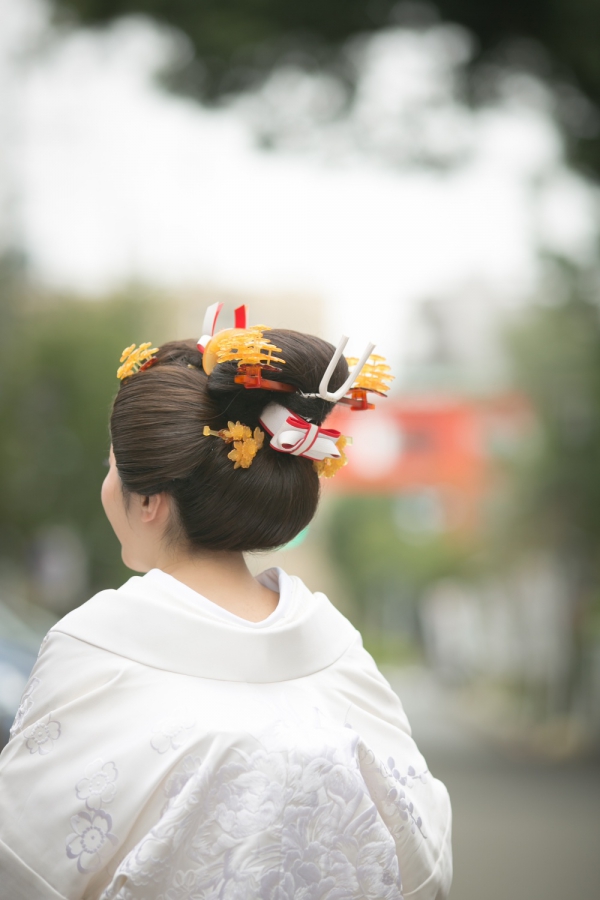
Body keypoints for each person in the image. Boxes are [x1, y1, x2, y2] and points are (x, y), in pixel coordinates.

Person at [0, 310, 452, 900]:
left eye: (111, 468)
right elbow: (427, 866)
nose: (107, 484)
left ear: (150, 503)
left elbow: (24, 863)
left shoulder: (94, 650)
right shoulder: (340, 658)